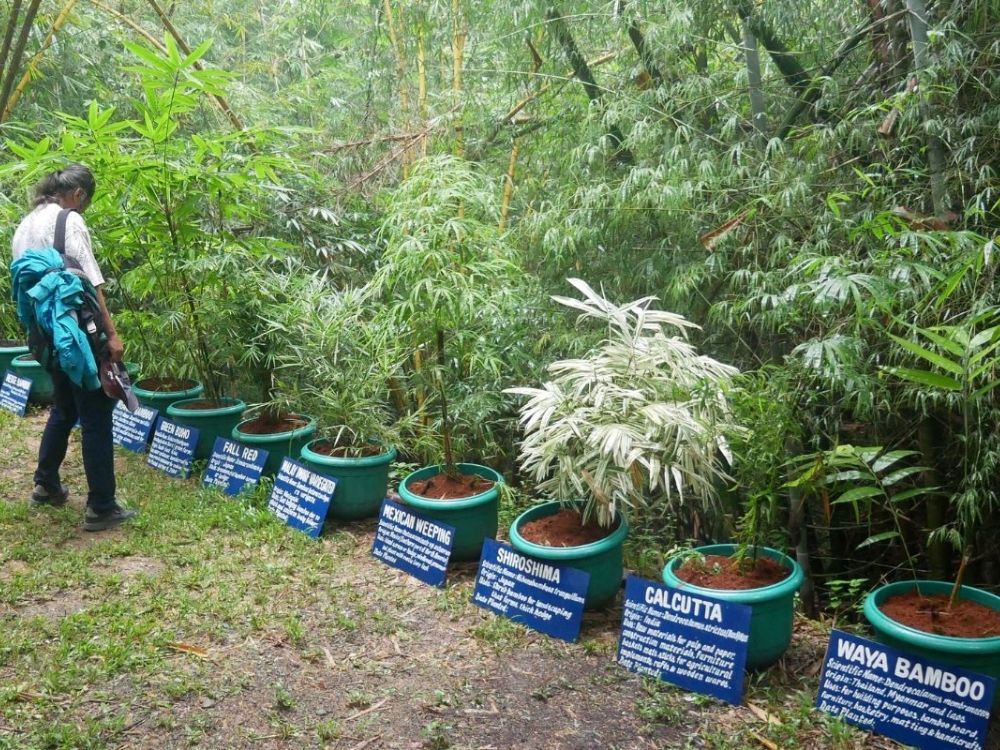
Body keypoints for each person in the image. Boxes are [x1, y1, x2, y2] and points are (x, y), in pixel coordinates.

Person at [10, 164, 137, 531]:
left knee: (64, 407)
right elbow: (91, 281)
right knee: (97, 411)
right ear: (79, 194)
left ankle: (46, 484)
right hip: (77, 332)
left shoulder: (26, 223)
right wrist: (111, 336)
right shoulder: (70, 220)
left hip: (45, 333)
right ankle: (102, 506)